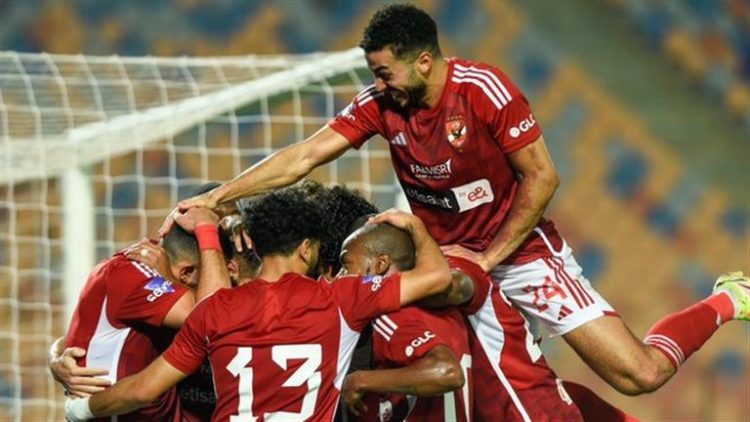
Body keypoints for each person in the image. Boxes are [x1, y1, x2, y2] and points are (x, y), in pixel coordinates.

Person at [168, 3, 750, 397]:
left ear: (423, 60)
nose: (378, 84)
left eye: (385, 72)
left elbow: (543, 178)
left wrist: (491, 258)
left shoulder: (483, 91)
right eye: (374, 73)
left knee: (637, 375)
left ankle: (728, 299)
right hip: (441, 262)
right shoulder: (381, 104)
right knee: (477, 383)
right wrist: (219, 196)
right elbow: (306, 155)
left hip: (519, 254)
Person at [65, 189, 453, 421]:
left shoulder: (214, 310)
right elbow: (438, 276)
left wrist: (79, 410)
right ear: (306, 249)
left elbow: (142, 390)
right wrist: (414, 225)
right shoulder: (343, 298)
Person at [57, 206, 229, 421]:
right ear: (186, 272)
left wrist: (55, 355)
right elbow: (216, 316)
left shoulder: (160, 268)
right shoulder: (133, 273)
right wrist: (206, 228)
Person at [339, 222, 473, 421]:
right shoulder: (451, 312)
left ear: (380, 265)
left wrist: (360, 380)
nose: (341, 277)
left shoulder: (391, 316)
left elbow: (447, 371)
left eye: (346, 265)